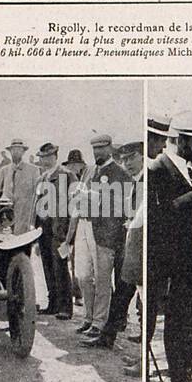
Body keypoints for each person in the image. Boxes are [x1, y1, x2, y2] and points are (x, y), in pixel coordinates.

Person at [147, 113, 192, 382]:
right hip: (174, 260)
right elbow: (156, 216)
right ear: (178, 140)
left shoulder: (188, 170)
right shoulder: (158, 169)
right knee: (178, 321)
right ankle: (179, 381)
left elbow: (188, 210)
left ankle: (185, 376)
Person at [68, 133, 131, 345]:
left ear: (110, 149)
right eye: (94, 149)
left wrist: (89, 196)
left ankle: (99, 322)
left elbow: (118, 204)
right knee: (83, 276)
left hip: (105, 232)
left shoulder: (119, 173)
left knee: (103, 280)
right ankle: (88, 317)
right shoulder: (91, 170)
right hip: (86, 225)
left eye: (101, 149)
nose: (97, 153)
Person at [90, 138, 144, 350]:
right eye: (124, 159)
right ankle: (107, 337)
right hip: (128, 245)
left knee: (133, 295)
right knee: (123, 292)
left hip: (140, 247)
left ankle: (112, 337)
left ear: (142, 156)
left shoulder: (144, 181)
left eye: (132, 158)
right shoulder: (133, 182)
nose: (128, 163)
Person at [35, 142, 75, 320]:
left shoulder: (66, 175)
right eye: (42, 157)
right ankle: (53, 304)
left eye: (47, 157)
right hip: (44, 228)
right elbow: (36, 204)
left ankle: (65, 307)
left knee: (60, 266)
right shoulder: (42, 178)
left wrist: (69, 232)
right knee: (48, 265)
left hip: (59, 228)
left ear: (55, 157)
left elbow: (74, 205)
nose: (44, 160)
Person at [0, 138, 40, 234]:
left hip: (26, 218)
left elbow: (38, 195)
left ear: (23, 152)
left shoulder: (33, 170)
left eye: (19, 149)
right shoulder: (4, 170)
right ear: (10, 151)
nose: (16, 152)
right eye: (13, 150)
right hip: (8, 219)